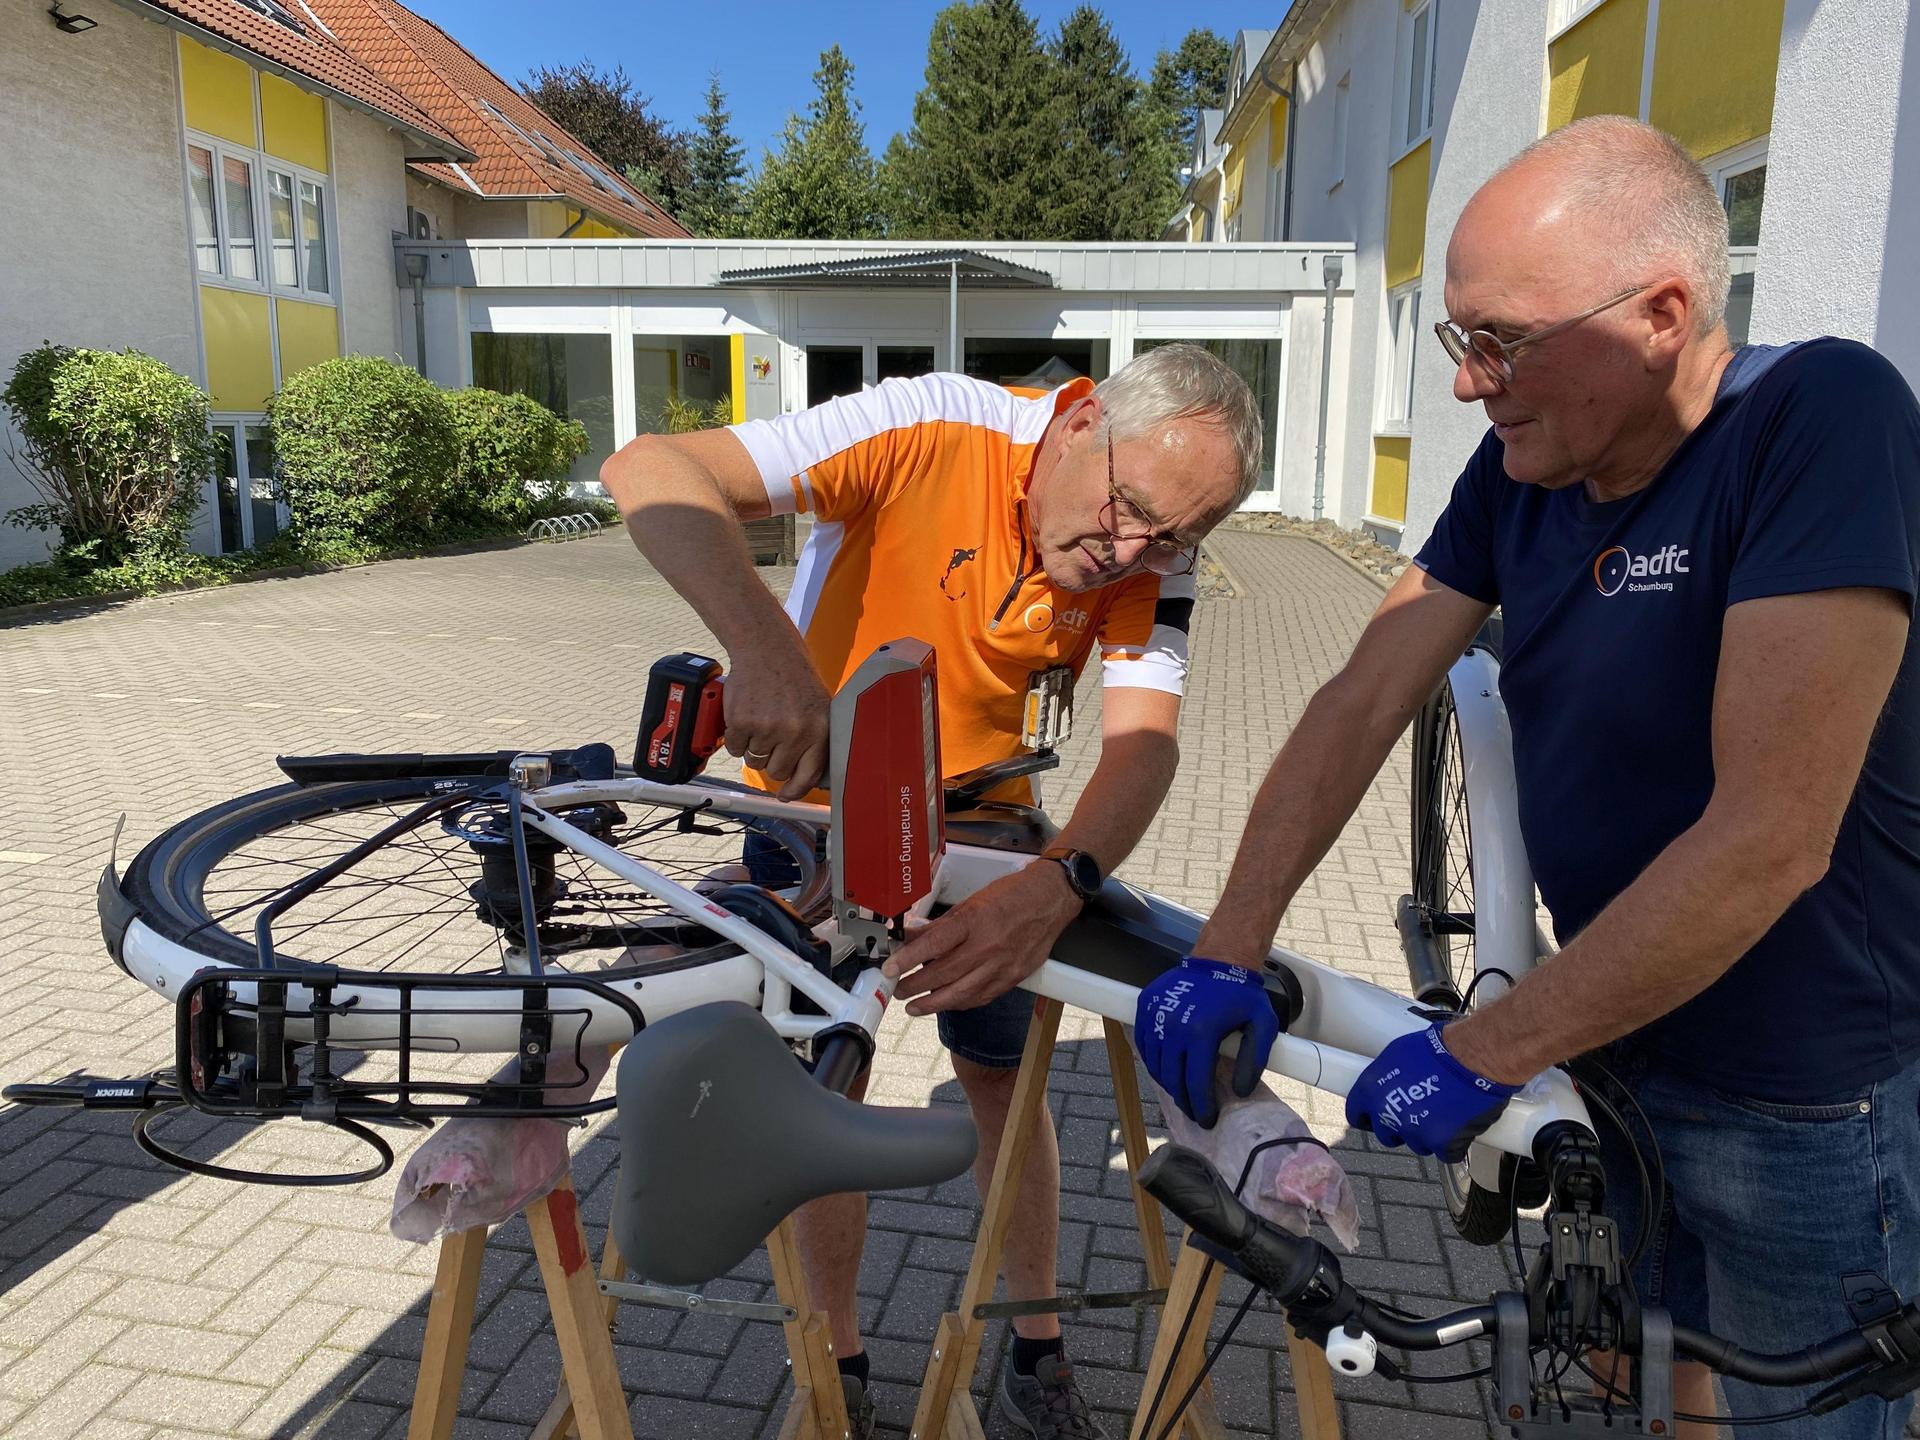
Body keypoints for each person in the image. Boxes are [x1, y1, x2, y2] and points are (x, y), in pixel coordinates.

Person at [1135, 113, 1920, 1438]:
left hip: (1799, 1093)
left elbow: (1772, 835)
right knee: (1646, 1374)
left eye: (1501, 340)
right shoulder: (1526, 473)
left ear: (1661, 315)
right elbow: (1363, 697)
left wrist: (1487, 1047)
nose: (1466, 382)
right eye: (1459, 336)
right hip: (1612, 1042)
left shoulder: (1819, 420)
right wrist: (1228, 943)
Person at [602, 343, 1262, 1438]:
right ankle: (839, 1364)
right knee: (826, 1092)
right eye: (1130, 513)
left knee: (1004, 1084)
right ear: (1080, 423)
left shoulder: (1158, 547)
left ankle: (1034, 1347)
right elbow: (651, 467)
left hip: (986, 835)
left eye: (1172, 539)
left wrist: (1059, 887)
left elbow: (1144, 746)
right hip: (816, 815)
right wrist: (767, 651)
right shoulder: (932, 424)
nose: (1130, 554)